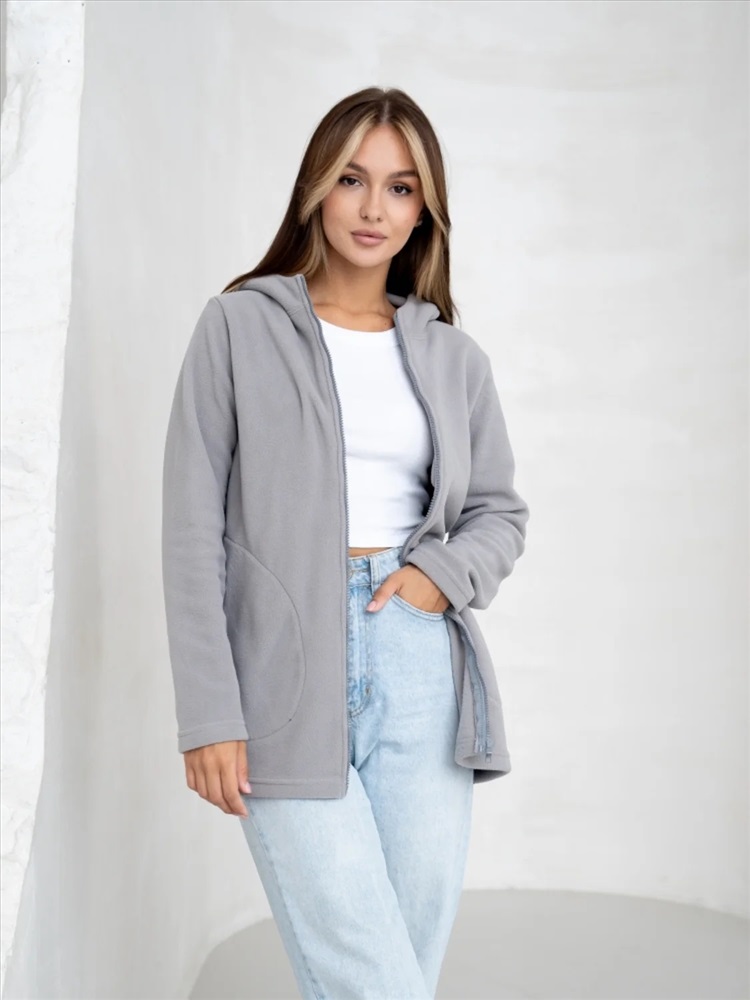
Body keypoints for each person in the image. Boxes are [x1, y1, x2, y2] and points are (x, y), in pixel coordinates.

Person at [161, 86, 530, 1000]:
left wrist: (437, 576)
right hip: (281, 668)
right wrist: (209, 713)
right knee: (369, 973)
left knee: (401, 963)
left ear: (425, 210)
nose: (374, 209)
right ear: (314, 189)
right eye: (352, 180)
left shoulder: (454, 357)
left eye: (401, 188)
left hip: (419, 665)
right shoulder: (238, 327)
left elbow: (499, 512)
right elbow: (190, 529)